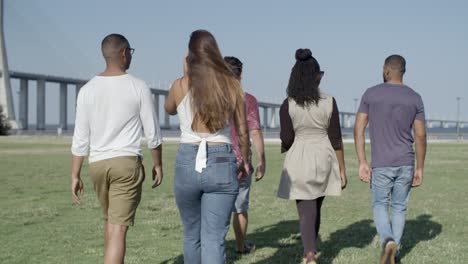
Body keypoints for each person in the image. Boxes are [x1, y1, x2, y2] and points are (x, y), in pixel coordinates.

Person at [71, 33, 163, 264]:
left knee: (111, 223)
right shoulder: (138, 86)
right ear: (124, 53)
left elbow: (80, 137)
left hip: (97, 165)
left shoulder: (87, 90)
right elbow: (152, 133)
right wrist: (158, 164)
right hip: (126, 163)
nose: (131, 56)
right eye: (130, 52)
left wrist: (74, 174)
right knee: (119, 229)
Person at [164, 30, 250, 264]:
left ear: (190, 55)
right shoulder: (231, 85)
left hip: (187, 161)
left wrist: (185, 74)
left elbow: (169, 109)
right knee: (213, 239)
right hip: (222, 160)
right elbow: (242, 131)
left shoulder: (180, 85)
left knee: (192, 235)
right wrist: (246, 161)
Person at [354, 54, 426, 264]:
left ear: (386, 70)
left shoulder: (371, 94)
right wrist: (420, 168)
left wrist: (362, 161)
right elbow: (420, 135)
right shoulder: (415, 97)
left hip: (381, 162)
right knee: (399, 207)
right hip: (406, 161)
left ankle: (387, 240)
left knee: (379, 204)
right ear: (403, 72)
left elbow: (358, 128)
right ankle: (394, 251)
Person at [277, 49, 347, 264]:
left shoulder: (287, 103)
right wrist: (342, 169)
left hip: (299, 155)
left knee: (306, 207)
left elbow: (287, 138)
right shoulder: (330, 101)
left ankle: (309, 254)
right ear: (317, 76)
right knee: (315, 205)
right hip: (324, 155)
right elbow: (336, 138)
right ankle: (310, 248)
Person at [224, 56, 266, 254]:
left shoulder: (212, 99)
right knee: (240, 208)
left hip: (216, 160)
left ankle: (214, 249)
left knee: (216, 208)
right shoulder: (248, 100)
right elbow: (255, 131)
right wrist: (261, 160)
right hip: (242, 161)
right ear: (241, 75)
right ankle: (241, 247)